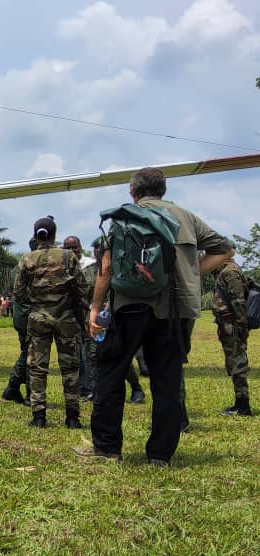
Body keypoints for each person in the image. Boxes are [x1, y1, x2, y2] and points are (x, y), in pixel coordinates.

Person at [77, 167, 234, 466]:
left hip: (130, 306)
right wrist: (192, 272)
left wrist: (95, 308)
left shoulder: (125, 217)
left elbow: (107, 268)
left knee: (111, 372)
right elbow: (225, 250)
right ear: (163, 190)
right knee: (167, 380)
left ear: (133, 191)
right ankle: (160, 455)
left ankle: (107, 448)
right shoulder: (186, 217)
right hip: (175, 310)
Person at [14, 217, 89, 428]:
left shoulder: (27, 259)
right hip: (66, 320)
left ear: (35, 234)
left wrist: (38, 301)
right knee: (71, 369)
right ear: (55, 235)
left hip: (38, 320)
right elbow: (83, 289)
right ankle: (72, 417)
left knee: (37, 369)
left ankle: (39, 417)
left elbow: (18, 294)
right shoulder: (68, 256)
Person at [68, 236, 147, 404]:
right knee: (91, 355)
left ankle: (136, 388)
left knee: (117, 355)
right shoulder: (88, 271)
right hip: (93, 317)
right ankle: (95, 390)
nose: (97, 251)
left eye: (101, 248)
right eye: (95, 248)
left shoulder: (118, 270)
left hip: (114, 315)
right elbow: (81, 294)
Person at [212, 256, 252, 416]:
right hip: (227, 323)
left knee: (237, 363)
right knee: (233, 361)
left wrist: (242, 325)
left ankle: (243, 405)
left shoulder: (230, 271)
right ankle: (240, 403)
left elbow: (238, 300)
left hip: (232, 324)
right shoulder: (225, 271)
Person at [2, 239, 37, 405]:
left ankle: (13, 388)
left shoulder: (22, 262)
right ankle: (27, 393)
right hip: (28, 315)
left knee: (27, 351)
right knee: (32, 353)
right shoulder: (34, 264)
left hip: (21, 315)